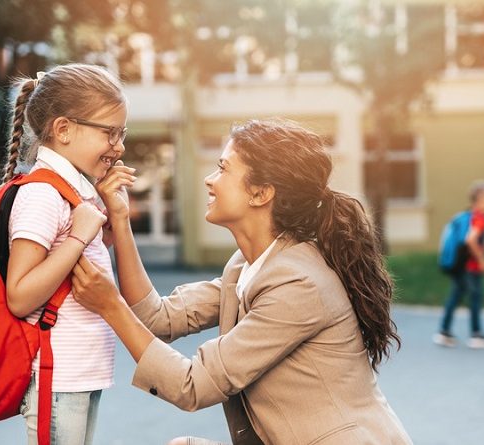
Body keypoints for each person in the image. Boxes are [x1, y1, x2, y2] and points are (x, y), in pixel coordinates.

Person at [71, 119, 413, 444]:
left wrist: (110, 306)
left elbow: (192, 385)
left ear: (261, 193)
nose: (209, 179)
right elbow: (158, 318)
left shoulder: (298, 283)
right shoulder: (248, 266)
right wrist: (120, 216)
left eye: (223, 168)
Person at [2, 63, 130, 444]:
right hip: (58, 375)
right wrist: (78, 237)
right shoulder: (41, 194)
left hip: (78, 372)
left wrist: (101, 231)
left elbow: (70, 272)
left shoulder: (72, 191)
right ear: (63, 129)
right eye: (110, 133)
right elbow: (20, 295)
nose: (119, 146)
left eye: (122, 134)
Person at [433, 182, 484, 349]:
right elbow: (471, 240)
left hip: (459, 265)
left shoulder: (469, 215)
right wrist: (482, 259)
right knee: (475, 297)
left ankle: (444, 332)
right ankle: (476, 334)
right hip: (470, 266)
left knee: (456, 296)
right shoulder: (480, 218)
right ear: (480, 200)